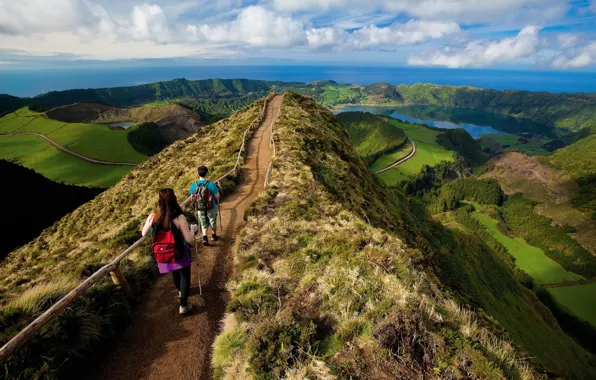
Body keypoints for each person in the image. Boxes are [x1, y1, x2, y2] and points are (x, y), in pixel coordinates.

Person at [142, 188, 199, 315]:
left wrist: (156, 234)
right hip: (180, 251)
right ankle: (183, 305)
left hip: (164, 252)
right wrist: (193, 230)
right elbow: (189, 239)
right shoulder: (179, 217)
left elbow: (143, 233)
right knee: (185, 275)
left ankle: (180, 291)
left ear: (160, 201)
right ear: (174, 199)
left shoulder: (153, 216)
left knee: (174, 272)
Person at [189, 165, 220, 246]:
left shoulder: (194, 184)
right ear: (207, 173)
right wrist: (217, 202)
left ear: (198, 174)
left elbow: (192, 197)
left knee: (203, 222)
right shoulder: (211, 184)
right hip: (211, 206)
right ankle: (213, 236)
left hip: (199, 207)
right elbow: (217, 195)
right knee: (212, 221)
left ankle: (205, 238)